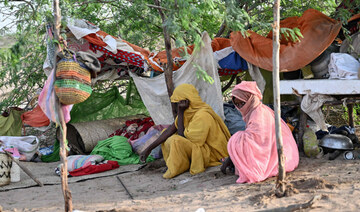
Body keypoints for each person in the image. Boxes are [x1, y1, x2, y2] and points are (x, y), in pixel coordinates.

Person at [140, 83, 230, 178]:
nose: (176, 105)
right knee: (165, 134)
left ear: (187, 101)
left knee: (175, 140)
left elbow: (182, 137)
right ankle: (176, 164)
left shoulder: (203, 115)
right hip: (198, 149)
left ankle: (176, 168)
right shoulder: (189, 112)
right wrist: (148, 149)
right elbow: (170, 130)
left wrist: (181, 112)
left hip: (212, 154)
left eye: (178, 102)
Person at [221, 81, 299, 183]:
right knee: (239, 138)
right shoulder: (256, 110)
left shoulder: (258, 114)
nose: (240, 107)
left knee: (237, 139)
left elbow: (259, 143)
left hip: (281, 156)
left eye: (242, 103)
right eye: (237, 104)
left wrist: (232, 155)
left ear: (250, 100)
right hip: (283, 154)